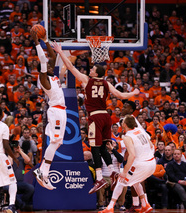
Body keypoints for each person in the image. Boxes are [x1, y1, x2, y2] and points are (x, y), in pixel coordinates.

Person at [52, 41, 140, 194]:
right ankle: (113, 171)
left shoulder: (87, 80)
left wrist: (60, 52)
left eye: (92, 68)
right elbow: (120, 95)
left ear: (96, 73)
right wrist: (134, 93)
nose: (90, 69)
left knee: (94, 148)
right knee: (104, 146)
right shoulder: (106, 83)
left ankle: (99, 178)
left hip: (95, 117)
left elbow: (71, 68)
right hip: (106, 116)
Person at [31, 31, 67, 190]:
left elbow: (52, 57)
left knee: (57, 143)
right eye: (48, 66)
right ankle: (43, 171)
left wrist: (46, 40)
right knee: (55, 142)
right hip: (56, 111)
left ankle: (43, 172)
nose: (52, 65)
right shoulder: (44, 79)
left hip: (60, 111)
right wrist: (37, 43)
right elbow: (44, 61)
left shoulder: (53, 76)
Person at [99, 115, 155, 213]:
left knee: (121, 181)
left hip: (141, 164)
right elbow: (151, 145)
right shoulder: (141, 131)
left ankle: (110, 207)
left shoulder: (127, 137)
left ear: (124, 125)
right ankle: (145, 204)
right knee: (135, 181)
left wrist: (124, 172)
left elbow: (132, 155)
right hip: (152, 162)